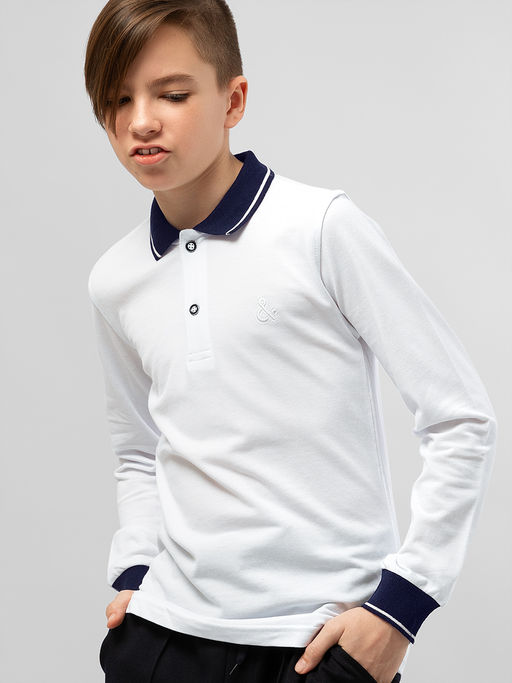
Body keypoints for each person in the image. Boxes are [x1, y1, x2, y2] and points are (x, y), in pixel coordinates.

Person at [83, 1, 497, 682]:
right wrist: (135, 573)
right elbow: (138, 449)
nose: (141, 121)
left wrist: (401, 608)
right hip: (164, 640)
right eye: (118, 100)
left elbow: (460, 416)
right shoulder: (115, 279)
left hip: (313, 643)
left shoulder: (321, 228)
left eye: (173, 94)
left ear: (233, 100)